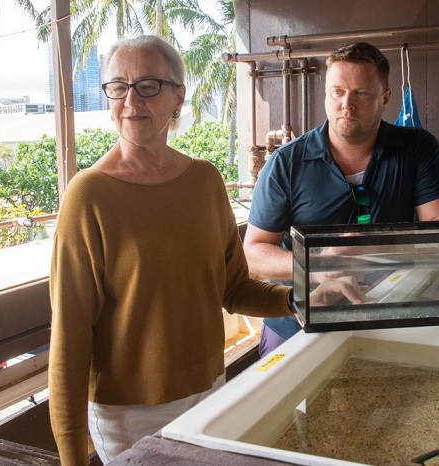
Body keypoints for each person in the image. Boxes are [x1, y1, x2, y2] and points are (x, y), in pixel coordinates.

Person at [47, 35, 295, 466]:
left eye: (147, 86)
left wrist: (304, 298)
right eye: (118, 87)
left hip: (209, 391)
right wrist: (71, 456)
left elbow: (234, 289)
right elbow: (69, 339)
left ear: (179, 97)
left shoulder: (204, 181)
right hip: (128, 413)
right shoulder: (88, 196)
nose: (130, 101)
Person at [243, 42, 439, 357]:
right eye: (337, 92)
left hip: (387, 310)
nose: (347, 105)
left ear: (385, 97)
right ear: (326, 94)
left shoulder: (417, 148)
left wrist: (370, 248)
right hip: (297, 322)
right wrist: (318, 265)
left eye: (362, 93)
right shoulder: (286, 162)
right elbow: (254, 252)